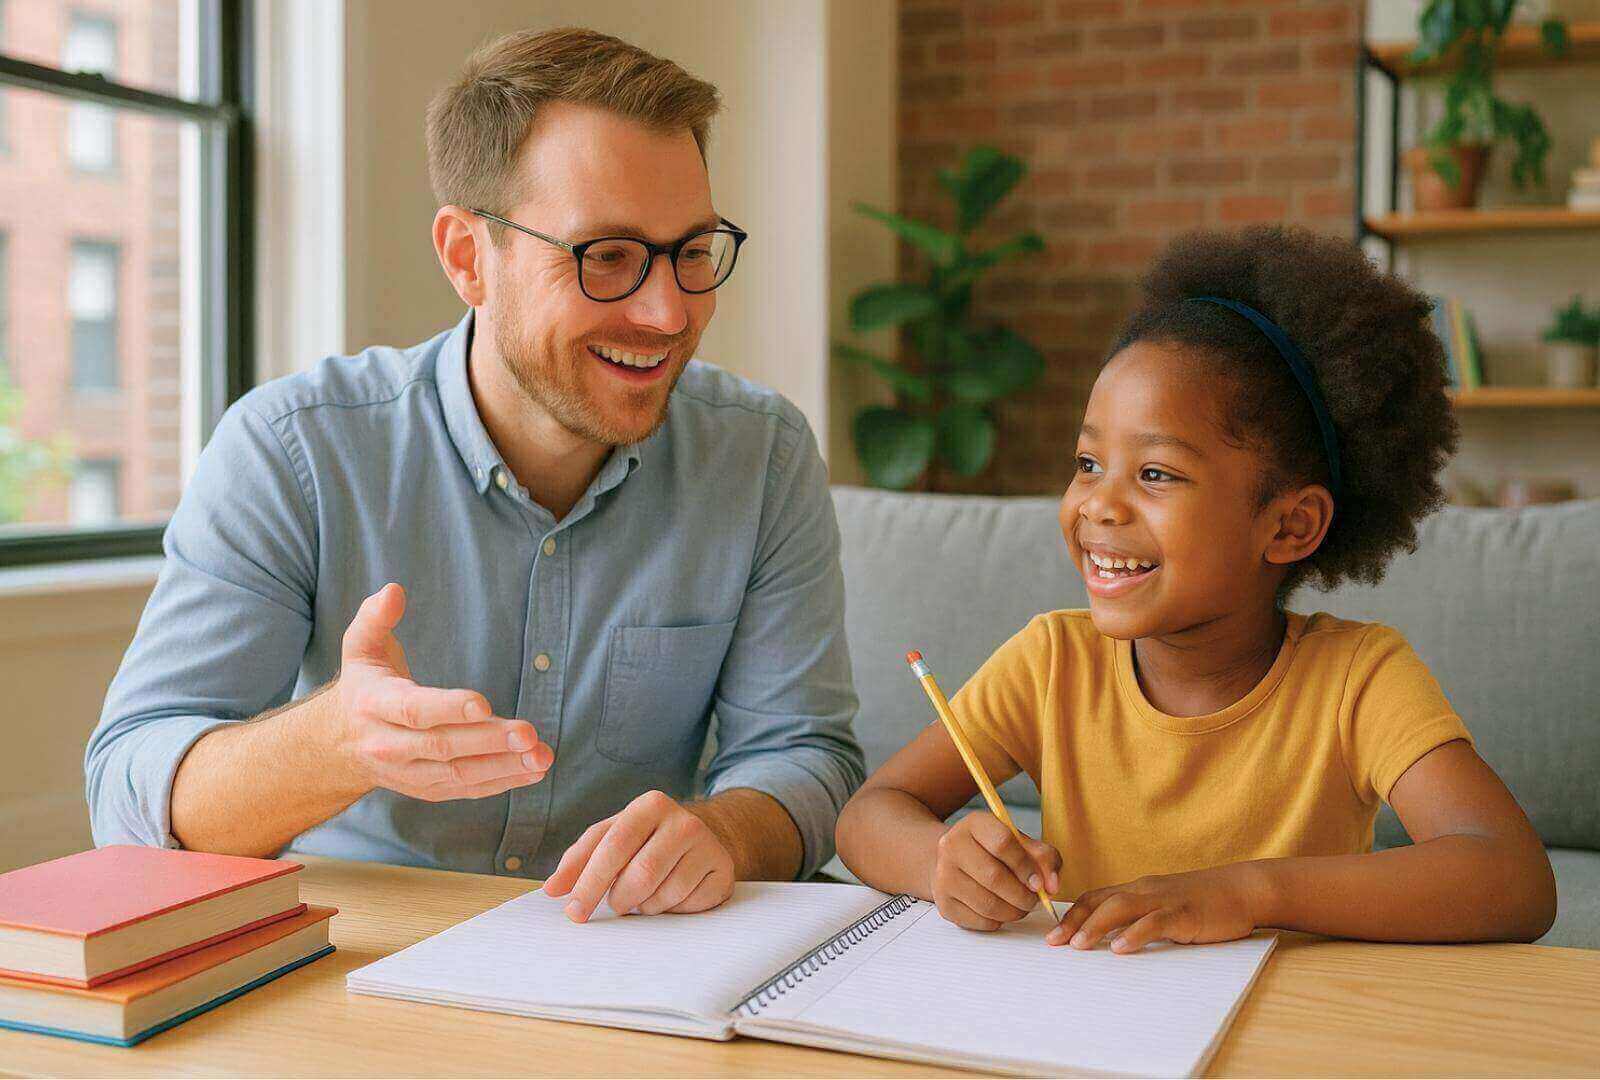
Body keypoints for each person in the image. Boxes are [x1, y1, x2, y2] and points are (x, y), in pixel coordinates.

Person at [86, 27, 863, 923]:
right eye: (605, 256)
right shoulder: (293, 449)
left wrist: (726, 832)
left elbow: (807, 755)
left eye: (691, 252)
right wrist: (336, 743)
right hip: (359, 968)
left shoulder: (761, 457)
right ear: (466, 258)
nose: (667, 311)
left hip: (624, 964)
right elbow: (128, 797)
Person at [835, 226, 1556, 951]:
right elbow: (871, 815)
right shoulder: (1049, 663)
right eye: (1088, 462)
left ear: (1290, 526)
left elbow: (1513, 879)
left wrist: (1249, 891)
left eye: (1155, 474)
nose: (1100, 506)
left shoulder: (1358, 681)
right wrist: (939, 863)